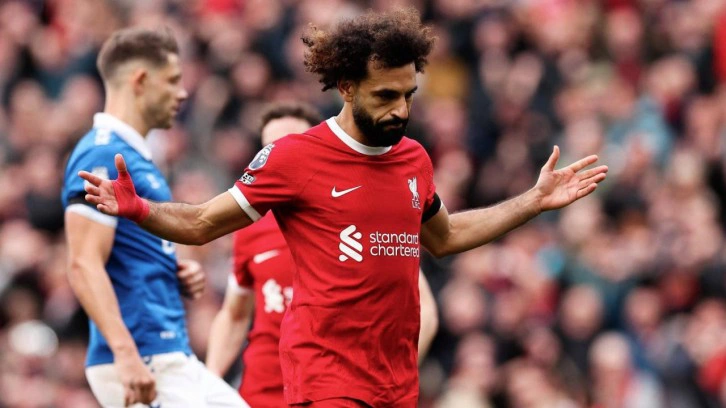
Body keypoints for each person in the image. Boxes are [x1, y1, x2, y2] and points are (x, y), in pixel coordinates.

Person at [80, 8, 608, 408]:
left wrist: (533, 202)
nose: (401, 110)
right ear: (348, 87)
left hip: (395, 378)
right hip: (326, 375)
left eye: (408, 95)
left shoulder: (414, 159)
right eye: (385, 96)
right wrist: (141, 209)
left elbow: (446, 238)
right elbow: (201, 223)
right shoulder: (294, 158)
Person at [205, 102, 440, 407]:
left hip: (335, 388)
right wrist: (210, 379)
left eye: (291, 144)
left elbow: (426, 311)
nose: (280, 156)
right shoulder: (250, 228)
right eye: (270, 147)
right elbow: (234, 313)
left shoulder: (359, 214)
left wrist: (387, 383)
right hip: (262, 393)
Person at [62, 27, 247, 408]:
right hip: (142, 357)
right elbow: (83, 263)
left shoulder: (135, 155)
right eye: (173, 80)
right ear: (141, 80)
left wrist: (168, 268)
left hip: (168, 352)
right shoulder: (102, 154)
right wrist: (125, 355)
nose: (182, 93)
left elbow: (120, 250)